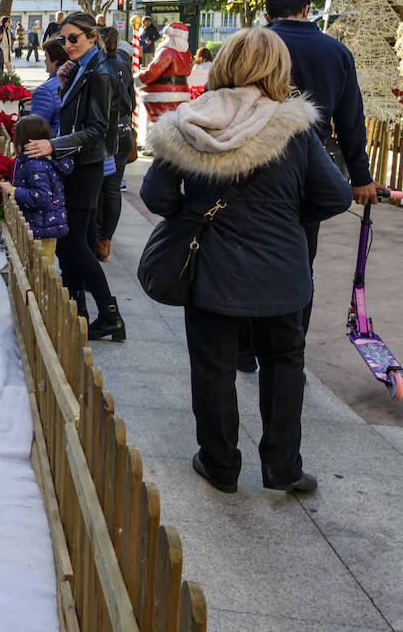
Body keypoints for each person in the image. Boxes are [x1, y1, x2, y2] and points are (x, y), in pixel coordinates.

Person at [140, 27, 351, 494]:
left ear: (223, 65)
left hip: (210, 269)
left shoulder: (188, 121)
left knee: (212, 367)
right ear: (279, 69)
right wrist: (289, 219)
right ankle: (283, 469)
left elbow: (156, 196)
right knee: (284, 363)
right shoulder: (293, 126)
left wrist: (195, 213)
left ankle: (219, 465)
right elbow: (335, 196)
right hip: (283, 269)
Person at [265, 0, 385, 337]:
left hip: (256, 159)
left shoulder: (256, 44)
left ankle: (245, 346)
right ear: (306, 10)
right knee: (302, 257)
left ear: (269, 15)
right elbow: (351, 121)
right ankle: (291, 343)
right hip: (310, 166)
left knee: (250, 249)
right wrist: (361, 177)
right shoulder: (336, 51)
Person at [22, 12, 124, 339]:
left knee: (75, 244)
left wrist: (53, 145)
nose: (67, 44)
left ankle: (109, 315)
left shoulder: (100, 72)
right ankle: (78, 312)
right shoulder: (82, 68)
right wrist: (65, 87)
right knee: (68, 244)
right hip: (77, 164)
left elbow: (96, 129)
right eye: (63, 38)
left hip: (85, 166)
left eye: (73, 38)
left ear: (92, 37)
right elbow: (75, 117)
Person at [0, 114, 72, 260]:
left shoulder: (36, 165)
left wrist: (14, 191)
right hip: (41, 225)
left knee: (40, 267)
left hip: (42, 230)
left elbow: (42, 198)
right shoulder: (33, 161)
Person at [95, 26, 136, 262]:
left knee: (98, 186)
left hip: (106, 133)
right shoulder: (123, 65)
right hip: (123, 130)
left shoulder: (99, 67)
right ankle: (105, 240)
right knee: (112, 188)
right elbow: (131, 102)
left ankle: (97, 234)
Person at [29, 38, 68, 133]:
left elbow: (36, 131)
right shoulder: (78, 79)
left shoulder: (44, 91)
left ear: (55, 61)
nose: (45, 61)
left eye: (46, 56)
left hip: (53, 141)